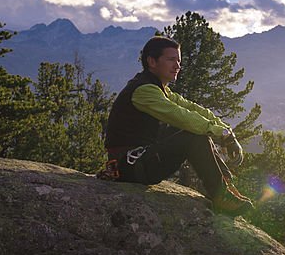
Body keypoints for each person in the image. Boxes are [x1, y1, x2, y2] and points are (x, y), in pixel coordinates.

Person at [102, 35, 254, 216]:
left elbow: (193, 109)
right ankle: (220, 196)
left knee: (194, 131)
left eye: (179, 60)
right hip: (128, 166)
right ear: (152, 61)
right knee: (193, 136)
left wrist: (227, 132)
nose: (177, 65)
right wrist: (221, 134)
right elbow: (181, 116)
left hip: (137, 162)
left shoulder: (160, 89)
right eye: (171, 59)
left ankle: (226, 188)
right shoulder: (143, 90)